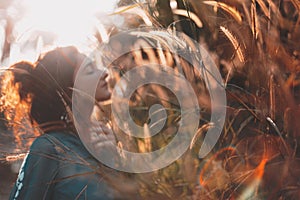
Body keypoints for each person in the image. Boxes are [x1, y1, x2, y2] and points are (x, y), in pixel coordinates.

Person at [0, 46, 123, 199]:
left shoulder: (104, 143)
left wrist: (113, 160)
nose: (104, 73)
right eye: (90, 70)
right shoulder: (49, 148)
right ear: (68, 88)